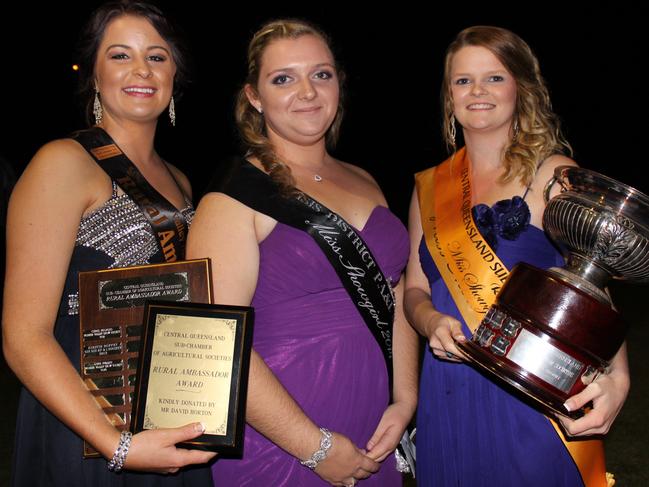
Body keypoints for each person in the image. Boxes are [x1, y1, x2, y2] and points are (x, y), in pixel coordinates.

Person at [187, 19, 418, 487]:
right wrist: (315, 448)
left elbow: (393, 297)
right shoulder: (233, 196)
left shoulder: (366, 179)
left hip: (374, 428)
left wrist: (405, 398)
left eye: (322, 74)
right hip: (282, 440)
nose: (308, 91)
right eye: (284, 78)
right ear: (255, 96)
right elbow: (216, 344)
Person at [404, 26, 629, 487]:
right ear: (449, 96)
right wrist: (427, 320)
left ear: (522, 88)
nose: (477, 91)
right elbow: (414, 287)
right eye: (463, 80)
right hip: (449, 387)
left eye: (495, 77)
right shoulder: (427, 188)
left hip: (532, 391)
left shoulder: (557, 175)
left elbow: (595, 285)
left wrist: (618, 377)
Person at [2, 2, 216, 485]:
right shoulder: (62, 161)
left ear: (175, 74)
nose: (141, 69)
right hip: (88, 417)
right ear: (94, 74)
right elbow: (23, 336)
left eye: (157, 57)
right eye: (120, 55)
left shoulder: (181, 181)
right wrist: (114, 442)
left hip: (169, 400)